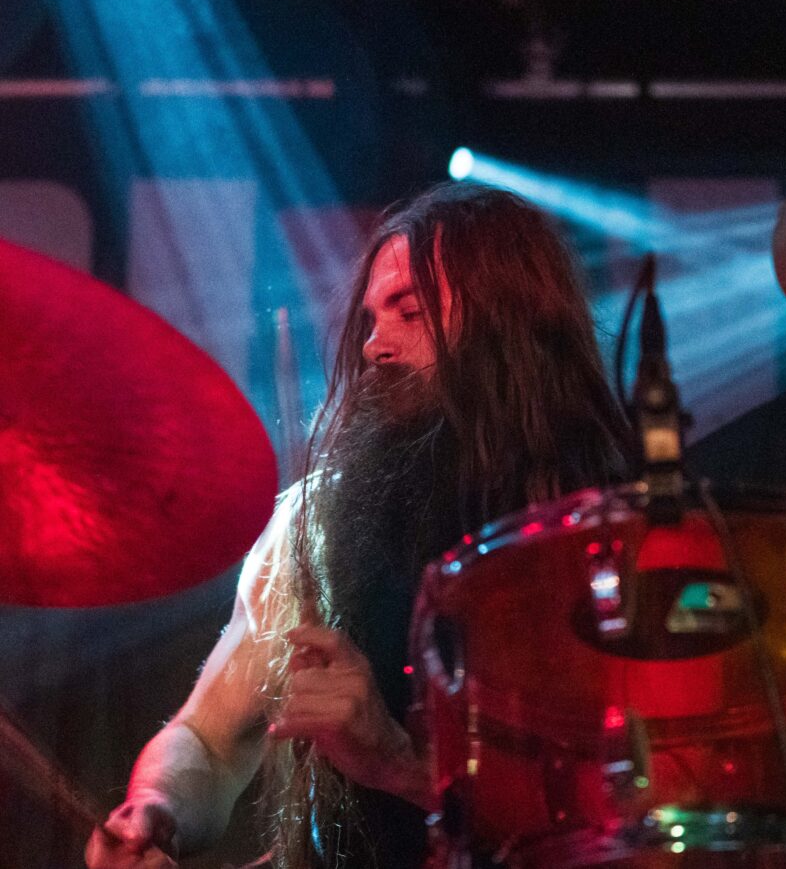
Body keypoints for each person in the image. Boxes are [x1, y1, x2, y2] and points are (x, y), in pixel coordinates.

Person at [85, 182, 631, 869]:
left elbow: (627, 811)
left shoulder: (608, 531)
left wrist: (400, 763)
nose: (375, 345)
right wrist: (158, 806)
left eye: (408, 311)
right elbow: (210, 737)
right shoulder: (312, 525)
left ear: (508, 319)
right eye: (370, 319)